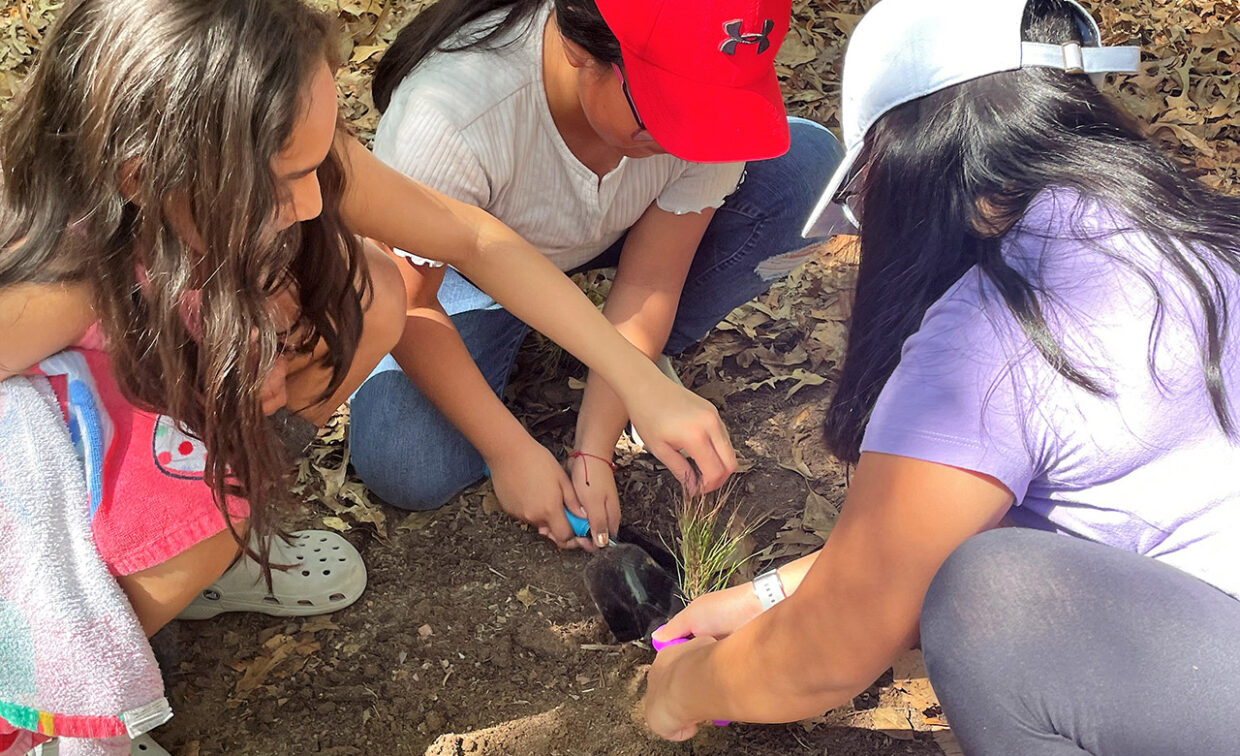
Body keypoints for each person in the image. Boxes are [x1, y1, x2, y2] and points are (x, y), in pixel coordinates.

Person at [0, 0, 737, 752]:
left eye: (320, 162)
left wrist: (640, 384)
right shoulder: (52, 280)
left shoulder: (254, 149)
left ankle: (216, 556)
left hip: (158, 410)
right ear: (144, 177)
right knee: (198, 500)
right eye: (288, 177)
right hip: (48, 518)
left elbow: (472, 238)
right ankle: (79, 695)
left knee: (369, 288)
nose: (317, 201)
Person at [641, 1, 1240, 753]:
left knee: (996, 604)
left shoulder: (1000, 328)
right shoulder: (1200, 230)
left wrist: (683, 688)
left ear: (906, 164)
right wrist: (769, 595)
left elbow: (826, 655)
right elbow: (947, 529)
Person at [349, 0, 845, 549]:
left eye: (705, 112)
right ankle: (556, 343)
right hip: (465, 268)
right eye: (665, 110)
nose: (685, 139)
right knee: (407, 462)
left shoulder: (705, 116)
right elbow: (411, 299)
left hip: (614, 231)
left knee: (804, 174)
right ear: (579, 49)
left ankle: (637, 367)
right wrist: (509, 450)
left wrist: (594, 447)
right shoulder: (452, 114)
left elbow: (650, 278)